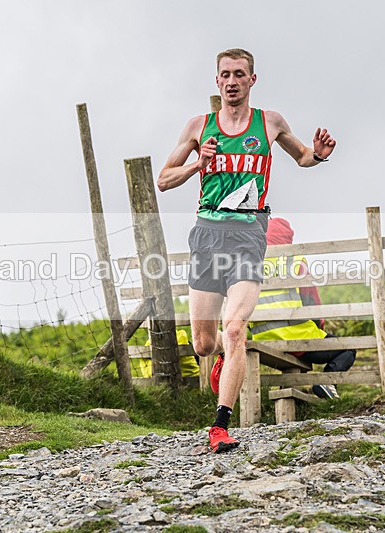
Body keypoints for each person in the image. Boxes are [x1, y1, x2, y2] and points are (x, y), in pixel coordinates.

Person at [157, 48, 337, 453]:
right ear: (217, 81)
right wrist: (195, 166)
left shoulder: (269, 122)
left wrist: (319, 157)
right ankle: (222, 355)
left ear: (253, 79)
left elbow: (302, 157)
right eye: (226, 74)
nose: (233, 81)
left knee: (235, 328)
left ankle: (220, 426)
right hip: (206, 234)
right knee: (204, 343)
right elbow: (163, 180)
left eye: (240, 74)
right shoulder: (198, 126)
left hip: (248, 235)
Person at [248, 217, 356, 400]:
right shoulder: (295, 261)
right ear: (288, 237)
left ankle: (295, 392)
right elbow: (312, 302)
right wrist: (319, 327)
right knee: (348, 349)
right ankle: (326, 382)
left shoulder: (250, 262)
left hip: (263, 339)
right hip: (297, 337)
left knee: (304, 358)